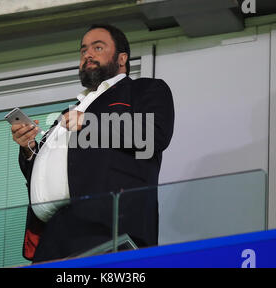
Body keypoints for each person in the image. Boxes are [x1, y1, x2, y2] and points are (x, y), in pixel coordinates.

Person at [11, 24, 175, 263]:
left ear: (122, 58)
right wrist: (28, 148)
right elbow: (49, 170)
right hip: (52, 238)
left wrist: (90, 122)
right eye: (83, 50)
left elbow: (154, 134)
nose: (88, 54)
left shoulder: (144, 89)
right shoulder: (68, 112)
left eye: (98, 47)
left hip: (110, 230)